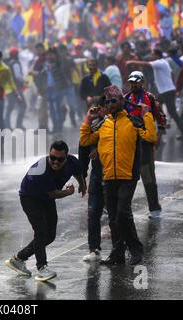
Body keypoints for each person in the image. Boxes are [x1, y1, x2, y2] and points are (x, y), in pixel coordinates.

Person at [80, 85, 156, 266]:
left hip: (128, 175)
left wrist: (147, 114)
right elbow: (85, 140)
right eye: (107, 101)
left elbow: (150, 137)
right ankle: (118, 253)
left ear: (122, 102)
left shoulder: (133, 121)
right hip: (108, 177)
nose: (110, 104)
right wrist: (88, 120)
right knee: (114, 217)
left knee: (122, 213)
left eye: (114, 100)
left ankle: (136, 249)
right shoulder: (102, 124)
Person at [6, 140, 86, 281]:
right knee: (41, 231)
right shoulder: (42, 170)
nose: (55, 162)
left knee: (50, 236)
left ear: (66, 157)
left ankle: (18, 259)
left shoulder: (72, 161)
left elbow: (78, 172)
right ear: (49, 154)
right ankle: (42, 268)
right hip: (30, 197)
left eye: (60, 159)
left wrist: (83, 184)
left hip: (46, 198)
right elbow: (53, 194)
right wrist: (68, 192)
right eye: (52, 158)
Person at [124, 71, 166, 219]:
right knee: (127, 177)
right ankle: (123, 208)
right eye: (131, 82)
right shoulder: (126, 98)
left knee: (148, 176)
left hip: (146, 142)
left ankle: (154, 208)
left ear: (142, 82)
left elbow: (161, 118)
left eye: (136, 82)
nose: (133, 84)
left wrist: (159, 136)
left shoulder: (150, 98)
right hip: (129, 142)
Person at [126, 49, 183, 139]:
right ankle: (162, 126)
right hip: (166, 91)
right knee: (156, 106)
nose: (151, 56)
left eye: (153, 54)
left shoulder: (160, 62)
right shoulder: (164, 62)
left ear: (157, 55)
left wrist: (132, 61)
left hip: (167, 91)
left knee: (172, 112)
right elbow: (171, 74)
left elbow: (146, 64)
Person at [80, 96, 107, 262]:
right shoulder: (92, 125)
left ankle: (122, 247)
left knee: (118, 213)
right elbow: (83, 148)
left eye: (100, 107)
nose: (98, 111)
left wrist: (98, 148)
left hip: (114, 175)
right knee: (93, 212)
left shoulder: (117, 123)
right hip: (97, 174)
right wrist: (82, 176)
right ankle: (94, 248)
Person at [4, 47, 27, 130]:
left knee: (10, 107)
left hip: (9, 88)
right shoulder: (16, 63)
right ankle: (18, 124)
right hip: (16, 88)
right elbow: (18, 76)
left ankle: (7, 125)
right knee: (23, 106)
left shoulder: (7, 63)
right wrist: (25, 81)